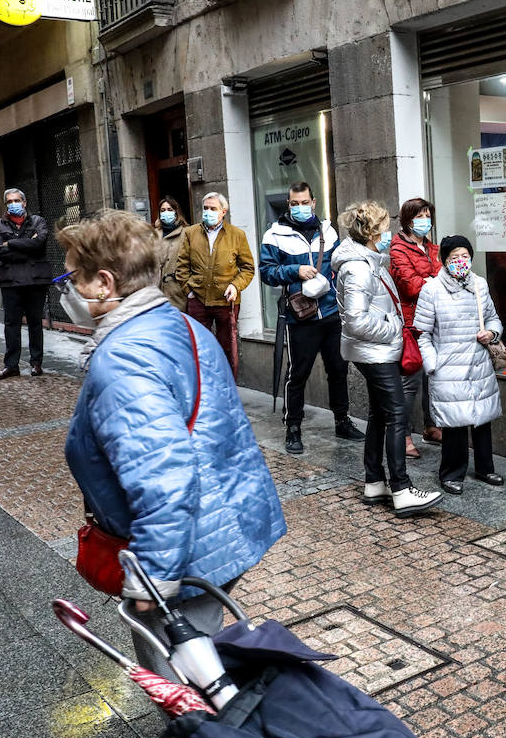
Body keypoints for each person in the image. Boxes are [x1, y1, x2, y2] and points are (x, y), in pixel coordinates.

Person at [58, 209, 285, 738]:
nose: (70, 292)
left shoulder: (123, 359)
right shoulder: (176, 322)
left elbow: (162, 482)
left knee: (181, 683)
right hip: (221, 522)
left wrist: (151, 578)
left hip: (179, 554)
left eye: (74, 280)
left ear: (105, 285)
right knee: (203, 666)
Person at [331, 201, 442, 517]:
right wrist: (395, 326)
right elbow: (355, 320)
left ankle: (374, 481)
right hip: (375, 351)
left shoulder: (368, 261)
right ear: (370, 232)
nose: (387, 231)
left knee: (381, 414)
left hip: (377, 350)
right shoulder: (357, 268)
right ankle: (402, 488)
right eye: (383, 226)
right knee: (396, 414)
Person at [258, 181, 364, 452]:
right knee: (298, 374)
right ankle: (293, 427)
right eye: (295, 203)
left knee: (338, 369)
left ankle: (342, 420)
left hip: (331, 313)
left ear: (313, 202)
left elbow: (339, 266)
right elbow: (267, 272)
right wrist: (295, 271)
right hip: (300, 317)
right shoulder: (275, 235)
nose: (300, 207)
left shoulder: (327, 231)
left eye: (305, 202)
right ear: (288, 204)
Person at [414, 235, 505, 495]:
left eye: (464, 256)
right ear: (444, 261)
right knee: (454, 423)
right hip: (448, 367)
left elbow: (493, 319)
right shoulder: (431, 290)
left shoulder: (480, 285)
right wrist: (433, 365)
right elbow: (422, 333)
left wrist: (492, 334)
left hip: (478, 363)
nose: (460, 261)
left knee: (482, 418)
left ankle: (485, 467)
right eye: (454, 257)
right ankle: (451, 473)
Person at [175, 192, 255, 377]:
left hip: (226, 302)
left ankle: (227, 388)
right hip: (198, 300)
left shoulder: (237, 235)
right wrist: (189, 292)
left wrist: (235, 286)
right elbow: (181, 266)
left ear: (223, 211)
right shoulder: (190, 233)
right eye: (205, 208)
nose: (208, 212)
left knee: (227, 348)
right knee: (198, 347)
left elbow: (248, 268)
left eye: (213, 208)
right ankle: (203, 388)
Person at [390, 197, 444, 458]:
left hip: (435, 320)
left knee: (433, 378)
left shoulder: (433, 248)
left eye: (428, 215)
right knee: (410, 383)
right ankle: (404, 434)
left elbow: (446, 278)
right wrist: (434, 281)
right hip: (412, 324)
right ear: (408, 220)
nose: (425, 221)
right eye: (419, 216)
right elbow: (410, 286)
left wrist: (430, 280)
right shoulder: (398, 248)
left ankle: (431, 425)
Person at [0, 187, 52, 379]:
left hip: (35, 280)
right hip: (11, 281)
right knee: (11, 324)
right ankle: (11, 365)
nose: (13, 204)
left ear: (24, 203)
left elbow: (39, 244)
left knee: (35, 323)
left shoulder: (38, 221)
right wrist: (27, 244)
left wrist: (12, 244)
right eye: (9, 202)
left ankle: (36, 363)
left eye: (16, 200)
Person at [154, 196, 188, 308]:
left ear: (176, 212)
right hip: (157, 291)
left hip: (178, 291)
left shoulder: (187, 232)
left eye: (169, 210)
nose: (166, 213)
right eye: (163, 210)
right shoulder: (154, 234)